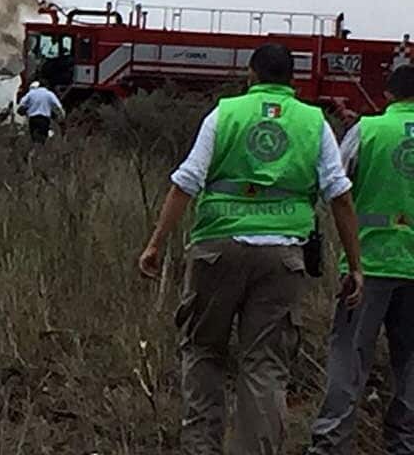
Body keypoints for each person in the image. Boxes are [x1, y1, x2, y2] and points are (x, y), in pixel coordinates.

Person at [137, 43, 364, 455]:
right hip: (282, 258)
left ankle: (201, 449)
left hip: (216, 250)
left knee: (205, 351)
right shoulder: (313, 122)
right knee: (264, 365)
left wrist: (155, 244)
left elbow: (186, 181)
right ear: (291, 80)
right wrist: (356, 266)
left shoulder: (224, 114)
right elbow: (340, 196)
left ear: (251, 74)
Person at [308, 64, 414, 454]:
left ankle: (332, 443)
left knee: (348, 357)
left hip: (368, 263)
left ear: (388, 95)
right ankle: (405, 443)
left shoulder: (367, 130)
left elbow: (335, 185)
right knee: (411, 363)